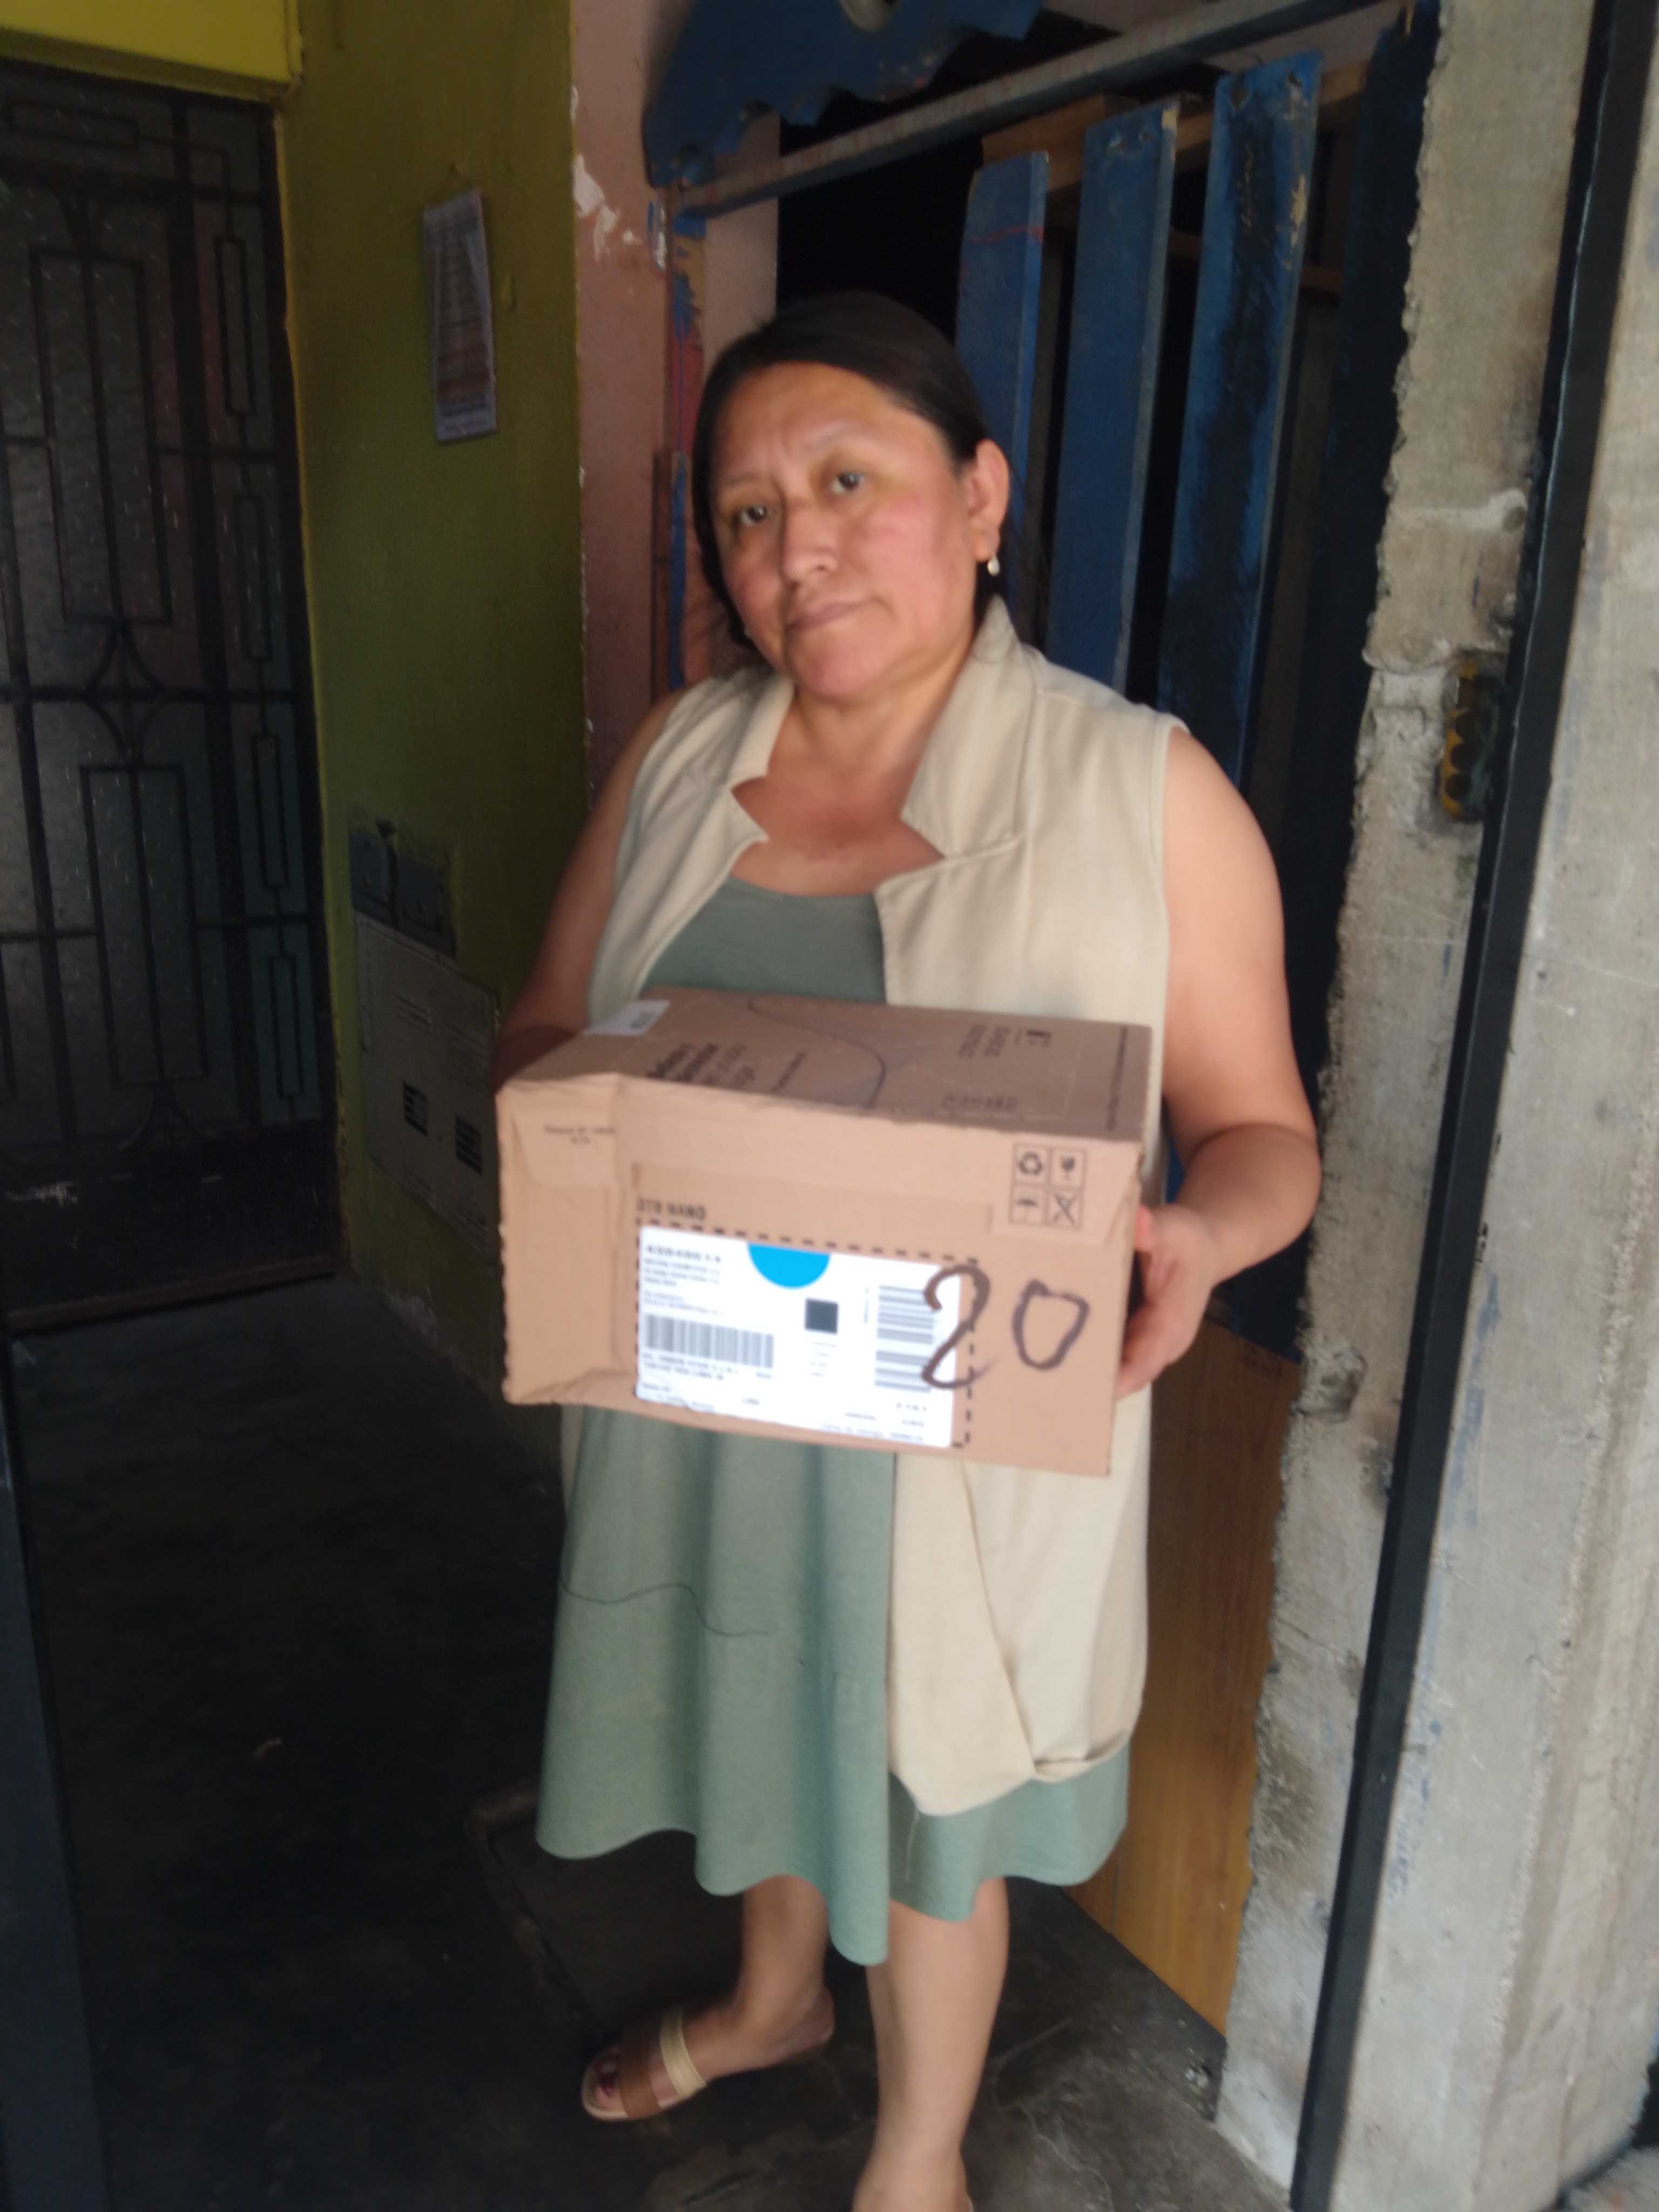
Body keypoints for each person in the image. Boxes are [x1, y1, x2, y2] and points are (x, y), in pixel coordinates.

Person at [493, 291, 1320, 2212]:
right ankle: (777, 1998)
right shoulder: (679, 762)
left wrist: (1196, 1235)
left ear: (981, 498)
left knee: (933, 1797)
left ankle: (918, 2159)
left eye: (849, 482)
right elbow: (540, 1023)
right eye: (749, 513)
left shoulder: (1140, 792)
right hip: (710, 1390)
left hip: (953, 1444)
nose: (798, 548)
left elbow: (1267, 1137)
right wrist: (618, 1127)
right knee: (759, 1711)